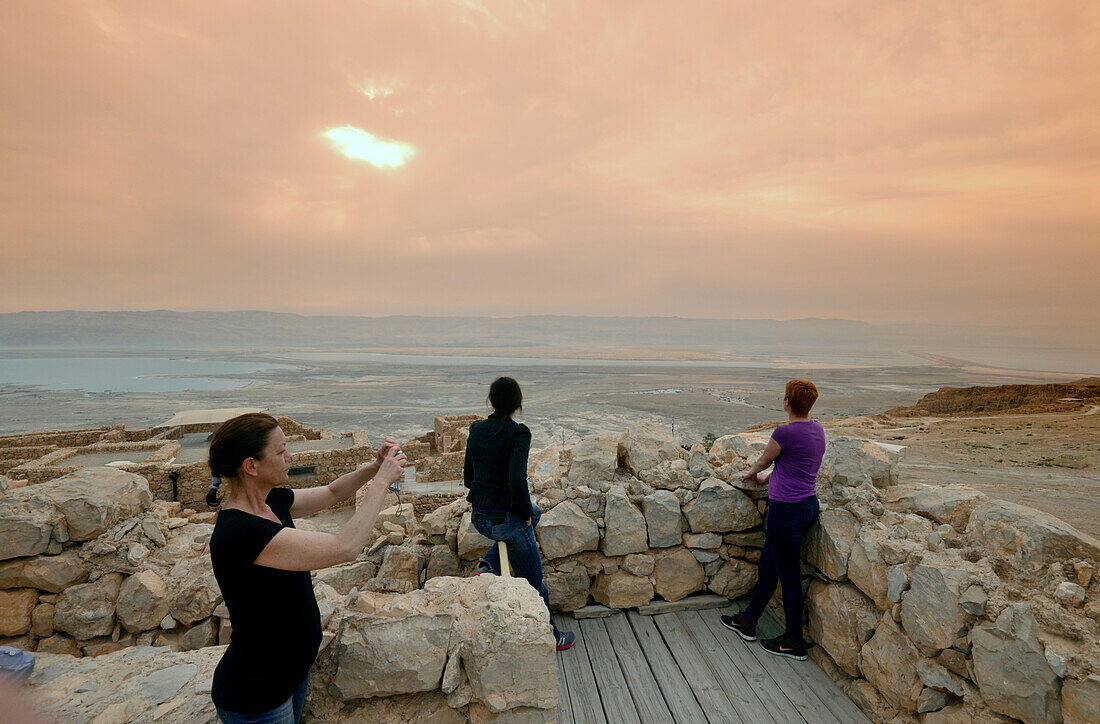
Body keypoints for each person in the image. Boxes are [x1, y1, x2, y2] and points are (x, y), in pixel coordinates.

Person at [206, 413, 406, 723]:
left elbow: (332, 493)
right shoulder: (240, 532)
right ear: (251, 466)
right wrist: (382, 482)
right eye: (281, 450)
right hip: (258, 695)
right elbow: (345, 547)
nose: (290, 457)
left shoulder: (271, 501)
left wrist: (373, 468)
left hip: (290, 675)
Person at [463, 377, 575, 651]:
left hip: (479, 518)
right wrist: (522, 513)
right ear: (518, 404)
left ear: (490, 401)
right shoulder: (519, 433)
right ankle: (553, 635)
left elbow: (469, 478)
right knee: (536, 582)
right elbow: (516, 482)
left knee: (534, 512)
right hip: (506, 523)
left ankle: (488, 564)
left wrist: (523, 510)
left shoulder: (476, 429)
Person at [721, 379, 825, 661]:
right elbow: (793, 467)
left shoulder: (785, 432)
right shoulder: (817, 429)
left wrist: (750, 474)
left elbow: (765, 460)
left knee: (788, 576)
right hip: (807, 505)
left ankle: (794, 641)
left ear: (787, 402)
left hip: (786, 511)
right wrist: (769, 478)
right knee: (769, 565)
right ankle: (748, 622)